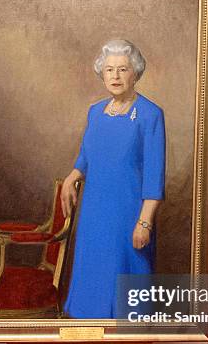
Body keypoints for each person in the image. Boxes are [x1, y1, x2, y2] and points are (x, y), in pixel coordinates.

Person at [60, 40, 165, 319]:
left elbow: (155, 176)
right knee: (91, 288)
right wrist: (72, 177)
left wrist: (144, 223)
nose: (115, 77)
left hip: (128, 216)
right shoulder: (95, 112)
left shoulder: (150, 115)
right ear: (102, 73)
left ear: (136, 73)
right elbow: (87, 156)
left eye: (122, 69)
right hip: (94, 215)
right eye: (109, 70)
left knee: (125, 300)